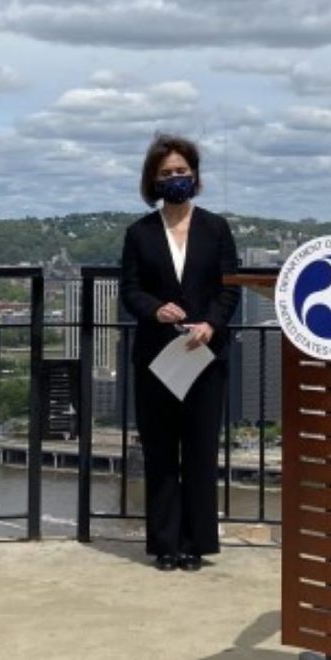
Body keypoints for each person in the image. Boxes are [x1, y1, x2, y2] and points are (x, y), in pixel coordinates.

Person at [118, 135, 241, 571]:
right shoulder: (139, 233)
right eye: (167, 173)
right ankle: (164, 544)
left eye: (182, 172)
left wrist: (212, 323)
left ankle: (197, 543)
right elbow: (129, 289)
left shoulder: (216, 228)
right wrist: (155, 310)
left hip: (205, 356)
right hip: (158, 357)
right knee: (161, 453)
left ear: (196, 176)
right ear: (153, 180)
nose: (176, 179)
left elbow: (229, 287)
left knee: (201, 451)